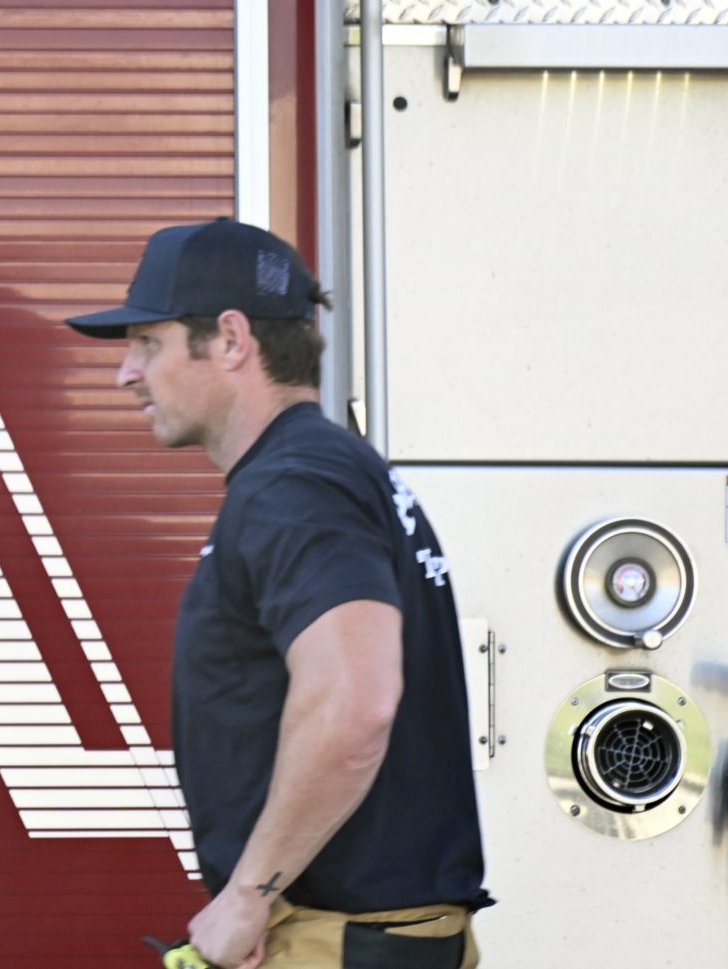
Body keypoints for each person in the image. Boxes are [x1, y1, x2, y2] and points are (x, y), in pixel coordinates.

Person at [66, 219, 491, 969]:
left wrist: (247, 895)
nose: (126, 374)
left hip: (335, 942)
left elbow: (355, 703)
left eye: (149, 343)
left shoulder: (294, 486)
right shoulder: (327, 470)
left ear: (231, 340)